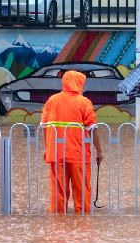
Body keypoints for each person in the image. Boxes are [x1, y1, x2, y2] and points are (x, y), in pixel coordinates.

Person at [41, 70, 104, 214]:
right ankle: (82, 223)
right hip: (78, 155)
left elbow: (44, 126)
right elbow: (93, 129)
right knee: (81, 190)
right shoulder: (84, 102)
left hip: (56, 154)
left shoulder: (52, 100)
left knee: (58, 190)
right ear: (79, 83)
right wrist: (99, 151)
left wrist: (47, 148)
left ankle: (58, 222)